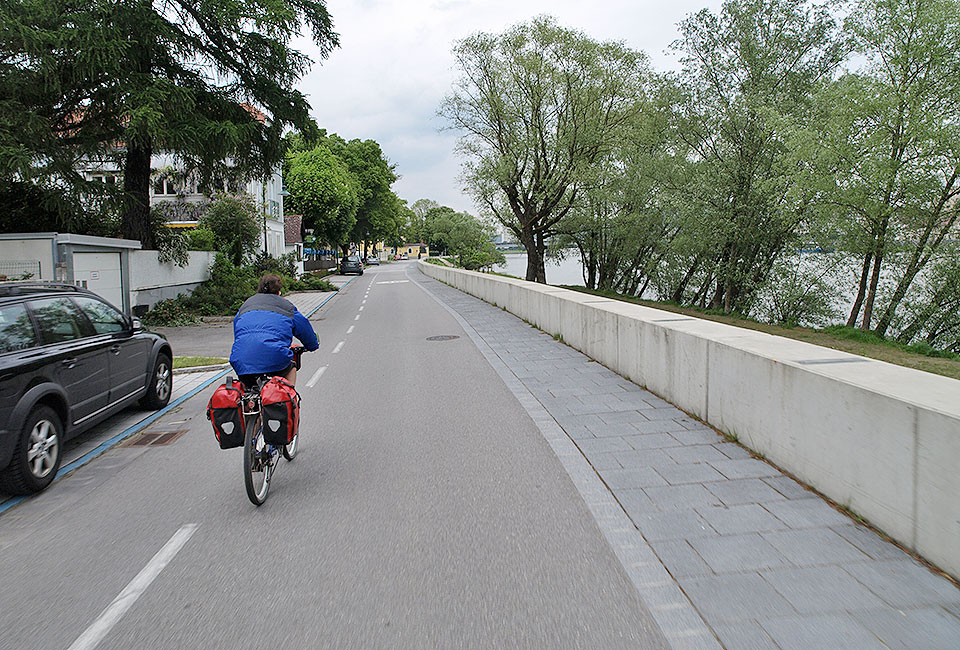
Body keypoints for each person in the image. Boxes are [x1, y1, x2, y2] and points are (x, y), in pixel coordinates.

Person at [230, 274, 319, 388]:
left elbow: (237, 331)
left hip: (241, 359)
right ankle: (289, 395)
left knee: (246, 387)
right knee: (291, 366)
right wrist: (312, 345)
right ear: (279, 292)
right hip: (276, 356)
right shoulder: (287, 307)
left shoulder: (246, 305)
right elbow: (304, 329)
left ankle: (247, 398)